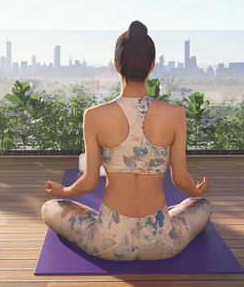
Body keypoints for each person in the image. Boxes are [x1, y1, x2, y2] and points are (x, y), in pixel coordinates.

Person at [41, 21, 211, 261]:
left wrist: (65, 190)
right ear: (152, 66)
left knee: (50, 208)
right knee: (201, 205)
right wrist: (196, 189)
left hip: (108, 241)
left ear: (116, 64)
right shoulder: (175, 115)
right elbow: (181, 179)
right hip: (162, 242)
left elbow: (89, 181)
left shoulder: (94, 116)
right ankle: (169, 215)